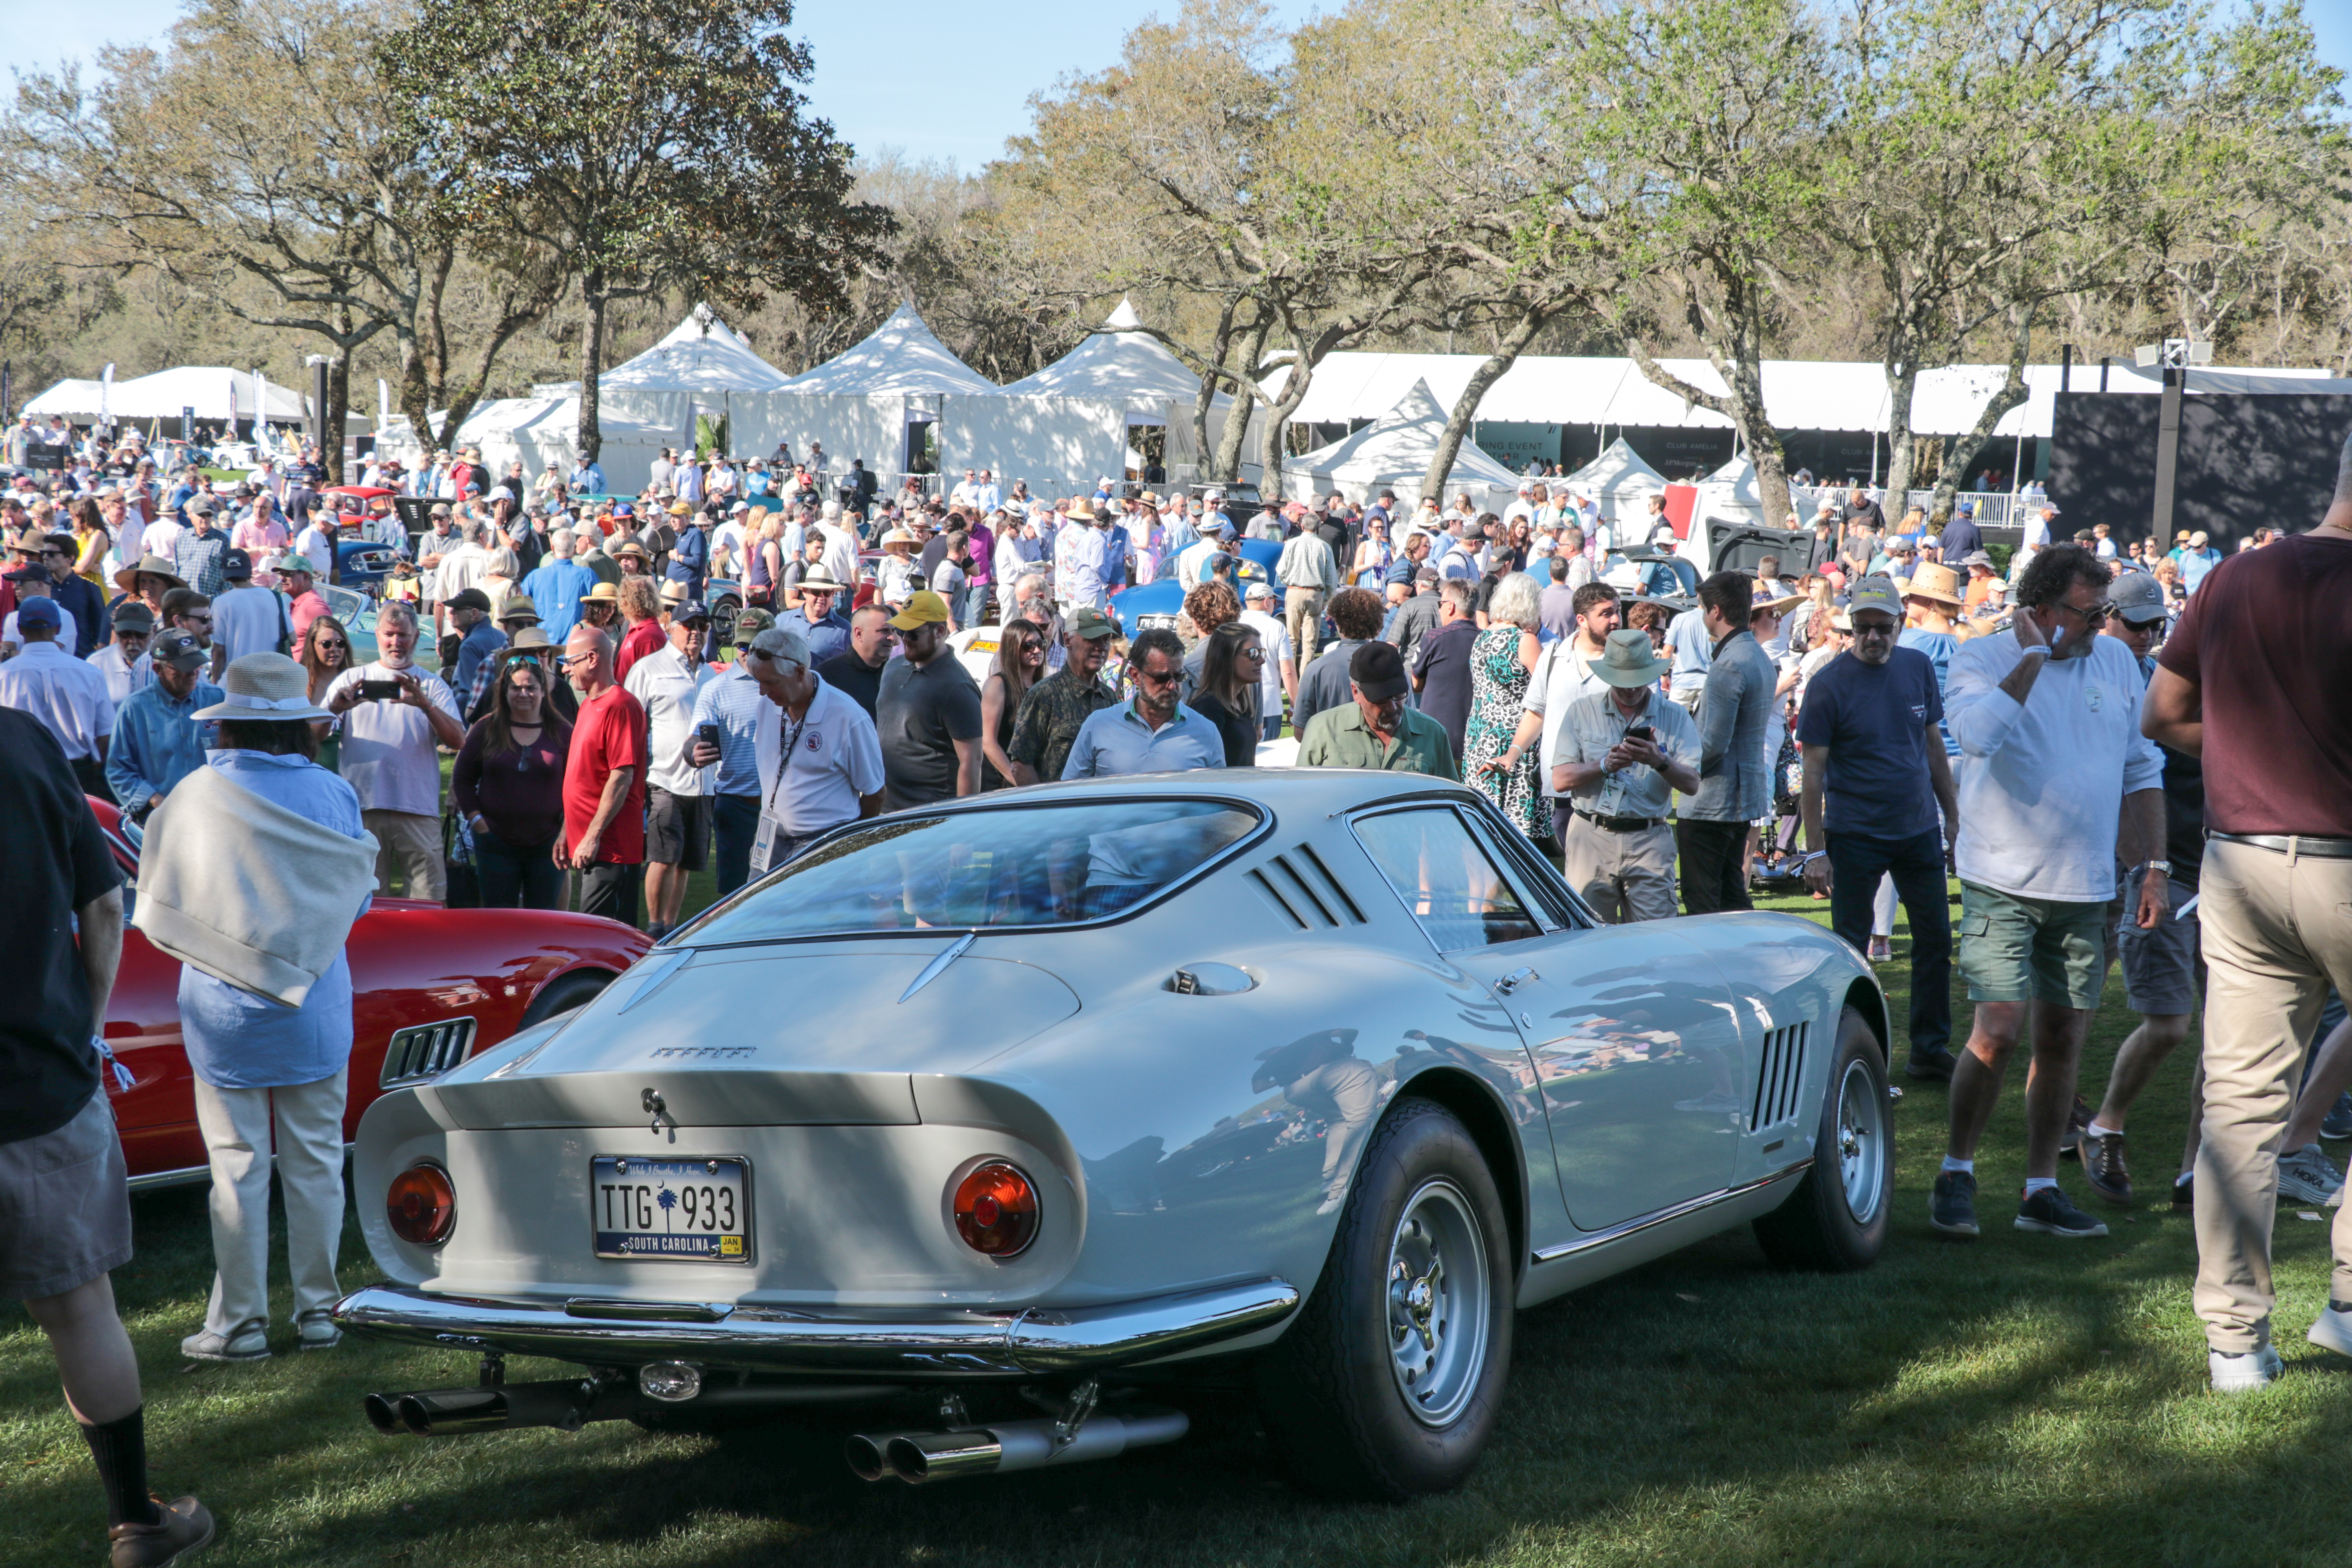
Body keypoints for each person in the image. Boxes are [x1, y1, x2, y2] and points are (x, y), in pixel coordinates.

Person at [2143, 440, 2352, 1390]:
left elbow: (2164, 714)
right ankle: (2347, 1308)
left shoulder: (2234, 574)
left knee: (2239, 1108)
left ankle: (2235, 1344)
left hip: (2240, 860)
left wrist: (2243, 755)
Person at [0, 701, 216, 1564]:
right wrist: (85, 1031)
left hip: (42, 1077)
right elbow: (104, 906)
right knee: (81, 1307)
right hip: (40, 1082)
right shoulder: (20, 740)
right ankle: (136, 1520)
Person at [135, 654, 374, 1376]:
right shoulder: (333, 794)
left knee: (236, 1167)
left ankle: (239, 1325)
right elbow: (356, 898)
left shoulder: (193, 795)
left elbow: (159, 893)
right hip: (313, 1001)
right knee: (316, 1161)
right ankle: (319, 1312)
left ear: (229, 718)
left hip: (222, 1006)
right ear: (301, 725)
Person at [1931, 543, 2168, 1244]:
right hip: (1999, 877)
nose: (2103, 626)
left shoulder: (2118, 662)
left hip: (2086, 886)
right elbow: (1975, 737)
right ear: (2040, 611)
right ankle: (1956, 1171)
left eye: (2106, 614)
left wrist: (2152, 864)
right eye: (2089, 614)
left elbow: (2140, 765)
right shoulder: (1981, 659)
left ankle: (2041, 1190)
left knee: (2063, 1038)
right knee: (1998, 1031)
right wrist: (2033, 659)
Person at [2076, 569, 2227, 1211]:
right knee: (2166, 1024)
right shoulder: (2138, 692)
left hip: (2227, 879)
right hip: (2160, 877)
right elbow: (2127, 781)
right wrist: (2145, 868)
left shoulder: (2241, 697)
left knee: (2225, 1036)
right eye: (2137, 624)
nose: (2148, 636)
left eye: (2156, 626)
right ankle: (2102, 1123)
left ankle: (2194, 1171)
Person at [1797, 577, 1960, 1080]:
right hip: (1855, 835)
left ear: (1900, 625)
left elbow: (1934, 746)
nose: (1873, 637)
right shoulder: (1828, 684)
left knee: (1935, 940)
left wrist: (1952, 818)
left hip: (1916, 831)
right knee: (1849, 948)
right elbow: (1813, 774)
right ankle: (1849, 1051)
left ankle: (1929, 1049)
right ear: (1850, 628)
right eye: (1863, 628)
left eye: (1882, 628)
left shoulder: (1917, 667)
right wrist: (1815, 850)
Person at [1550, 629, 1701, 922]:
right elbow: (1560, 779)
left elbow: (1693, 784)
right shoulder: (1581, 712)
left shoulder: (1675, 716)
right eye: (1622, 682)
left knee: (1656, 941)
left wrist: (1660, 761)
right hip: (1591, 839)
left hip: (1649, 841)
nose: (1630, 689)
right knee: (1588, 941)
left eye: (1637, 681)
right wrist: (1604, 765)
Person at [323, 601, 465, 901]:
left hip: (417, 808)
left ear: (416, 637)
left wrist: (425, 705)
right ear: (377, 635)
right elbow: (312, 738)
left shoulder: (431, 685)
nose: (396, 642)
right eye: (389, 634)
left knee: (428, 904)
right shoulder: (351, 680)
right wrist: (335, 708)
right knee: (364, 904)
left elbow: (457, 741)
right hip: (362, 810)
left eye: (403, 635)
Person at [735, 626, 886, 874]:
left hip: (824, 845)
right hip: (770, 838)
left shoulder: (848, 717)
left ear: (800, 673)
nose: (762, 692)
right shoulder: (767, 705)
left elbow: (875, 793)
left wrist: (852, 845)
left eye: (770, 683)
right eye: (758, 682)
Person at [1678, 570, 1774, 915]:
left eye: (1703, 607)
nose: (1702, 614)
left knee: (1705, 900)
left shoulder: (1731, 662)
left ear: (1715, 611)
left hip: (1713, 804)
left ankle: (1723, 967)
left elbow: (1713, 743)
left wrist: (1675, 769)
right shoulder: (1755, 655)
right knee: (1732, 894)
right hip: (1740, 798)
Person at [625, 599, 716, 940]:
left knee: (686, 863)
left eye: (702, 626)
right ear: (671, 627)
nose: (695, 632)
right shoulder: (649, 668)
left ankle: (672, 927)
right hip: (664, 779)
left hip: (705, 782)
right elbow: (631, 723)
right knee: (663, 858)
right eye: (688, 625)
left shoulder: (710, 673)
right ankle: (653, 926)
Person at [453, 656, 571, 911]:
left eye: (531, 687)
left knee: (542, 920)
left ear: (543, 691)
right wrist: (476, 821)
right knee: (499, 921)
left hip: (548, 843)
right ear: (505, 691)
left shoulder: (563, 732)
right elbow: (463, 778)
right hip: (495, 843)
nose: (524, 694)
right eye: (516, 688)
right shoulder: (487, 728)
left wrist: (566, 827)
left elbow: (579, 783)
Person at [556, 626, 647, 926]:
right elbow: (586, 778)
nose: (567, 670)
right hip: (592, 847)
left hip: (612, 850)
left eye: (571, 661)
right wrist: (567, 832)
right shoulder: (589, 705)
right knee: (591, 935)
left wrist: (591, 836)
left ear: (592, 658)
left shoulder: (620, 705)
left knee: (601, 939)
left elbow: (621, 777)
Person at [1062, 626, 1225, 777]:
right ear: (1135, 676)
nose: (1172, 686)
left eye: (1178, 677)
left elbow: (1219, 802)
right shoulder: (1098, 726)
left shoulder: (1206, 732)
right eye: (1161, 678)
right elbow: (1069, 795)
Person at [877, 591, 984, 809]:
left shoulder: (958, 687)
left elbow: (971, 762)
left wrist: (961, 824)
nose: (905, 639)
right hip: (885, 809)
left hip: (930, 816)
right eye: (901, 630)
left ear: (940, 631)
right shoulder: (892, 668)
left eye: (913, 633)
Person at [0, 596, 114, 797]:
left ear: (20, 629)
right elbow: (106, 737)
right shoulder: (89, 673)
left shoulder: (4, 675)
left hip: (22, 777)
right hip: (78, 775)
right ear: (59, 629)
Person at [103, 630, 222, 822]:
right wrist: (157, 801)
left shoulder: (219, 700)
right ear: (158, 670)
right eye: (183, 668)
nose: (193, 672)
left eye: (196, 665)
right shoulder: (135, 709)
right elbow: (119, 770)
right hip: (163, 821)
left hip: (216, 816)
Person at [1462, 572, 1547, 840]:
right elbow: (1549, 693)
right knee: (1516, 831)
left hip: (1479, 735)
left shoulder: (1482, 637)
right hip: (1516, 738)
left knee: (1484, 827)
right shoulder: (1525, 640)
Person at [1296, 641, 1459, 779]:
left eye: (1399, 695)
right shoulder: (1323, 729)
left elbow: (1450, 799)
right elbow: (1303, 797)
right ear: (1356, 692)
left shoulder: (1433, 734)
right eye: (1381, 699)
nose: (1392, 707)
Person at [1008, 609, 1120, 786]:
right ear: (1068, 640)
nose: (1101, 647)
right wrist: (1047, 809)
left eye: (1106, 640)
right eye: (1092, 639)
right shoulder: (1045, 695)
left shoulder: (1109, 698)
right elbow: (1020, 766)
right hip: (1058, 809)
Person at [1292, 586, 1387, 735]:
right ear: (1377, 625)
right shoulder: (1391, 666)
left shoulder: (1317, 668)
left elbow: (1300, 732)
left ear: (1339, 624)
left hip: (1330, 752)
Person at [1410, 582, 1480, 762]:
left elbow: (1416, 684)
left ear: (1450, 607)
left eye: (1440, 605)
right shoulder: (1487, 640)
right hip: (1478, 742)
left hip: (1438, 742)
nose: (1439, 610)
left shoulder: (1434, 638)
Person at [980, 618, 1049, 788]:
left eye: (1041, 644)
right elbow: (987, 741)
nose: (1037, 650)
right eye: (1028, 646)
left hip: (1035, 783)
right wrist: (1018, 780)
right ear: (1013, 648)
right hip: (1002, 785)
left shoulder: (1044, 687)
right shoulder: (997, 685)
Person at [1186, 620, 1263, 766]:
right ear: (1227, 657)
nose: (1262, 660)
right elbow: (1198, 768)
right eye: (1253, 654)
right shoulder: (1209, 707)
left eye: (1262, 652)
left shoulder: (1242, 703)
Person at [1277, 514, 1338, 670]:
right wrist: (1325, 600)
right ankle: (1305, 683)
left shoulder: (1291, 544)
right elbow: (1332, 580)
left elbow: (1281, 571)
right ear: (1318, 528)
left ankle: (1288, 678)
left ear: (1302, 526)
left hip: (1294, 591)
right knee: (1310, 643)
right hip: (1315, 593)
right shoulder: (1325, 547)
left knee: (1291, 640)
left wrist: (1290, 584)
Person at [815, 603, 895, 721]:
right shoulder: (828, 675)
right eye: (884, 631)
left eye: (893, 631)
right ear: (859, 634)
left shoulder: (897, 672)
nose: (892, 638)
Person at [87, 602, 156, 706]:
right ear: (114, 629)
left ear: (153, 631)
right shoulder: (96, 664)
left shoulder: (167, 661)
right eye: (125, 634)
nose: (133, 641)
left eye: (140, 635)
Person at [777, 573, 851, 666]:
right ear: (805, 592)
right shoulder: (782, 620)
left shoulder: (845, 630)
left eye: (827, 593)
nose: (822, 598)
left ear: (833, 595)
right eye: (816, 592)